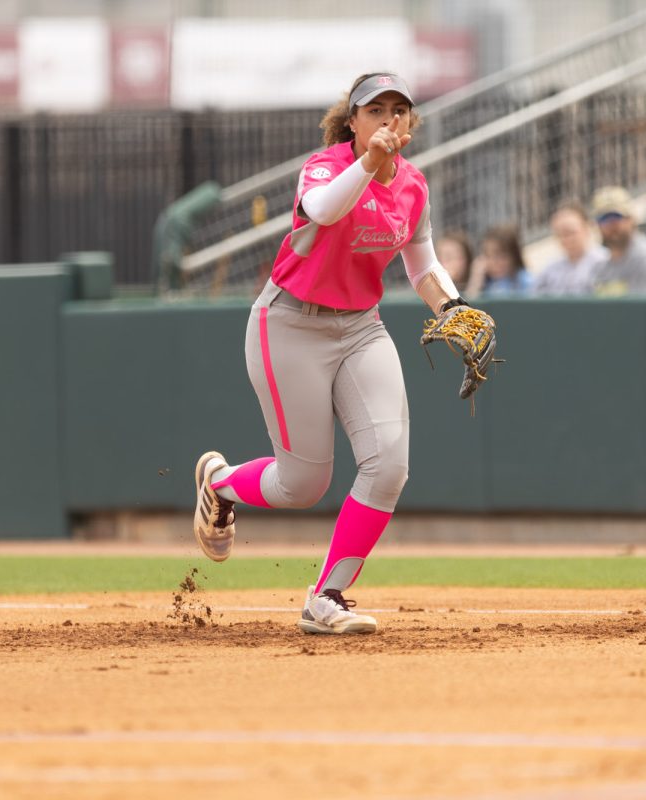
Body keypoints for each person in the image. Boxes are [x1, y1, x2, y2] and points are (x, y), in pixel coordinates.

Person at [191, 72, 479, 636]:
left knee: (389, 464)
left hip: (361, 329)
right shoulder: (326, 166)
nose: (389, 119)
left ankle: (326, 597)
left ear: (411, 122)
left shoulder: (414, 185)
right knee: (303, 485)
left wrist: (451, 306)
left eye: (399, 110)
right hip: (290, 323)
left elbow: (420, 266)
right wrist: (368, 162)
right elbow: (322, 210)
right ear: (353, 121)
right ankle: (220, 483)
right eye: (376, 110)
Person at [590, 186, 646, 296]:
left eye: (616, 217)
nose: (611, 224)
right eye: (604, 219)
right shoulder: (602, 264)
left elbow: (645, 310)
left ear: (631, 219)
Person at [532, 202, 608, 296]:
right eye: (559, 234)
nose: (566, 239)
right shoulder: (550, 270)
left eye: (570, 232)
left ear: (587, 228)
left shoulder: (605, 262)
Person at [477, 224, 532, 296]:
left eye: (500, 256)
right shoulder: (485, 282)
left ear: (514, 256)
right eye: (488, 256)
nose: (493, 262)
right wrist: (476, 279)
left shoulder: (524, 280)